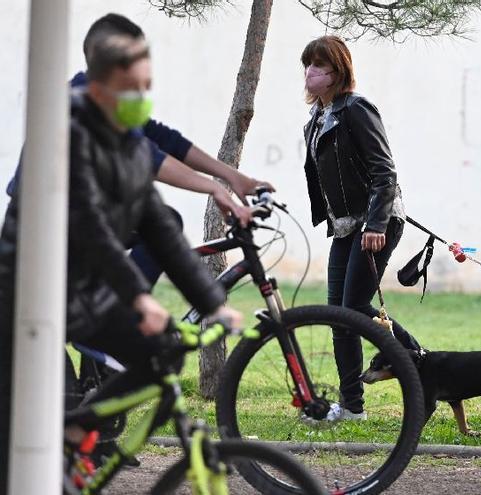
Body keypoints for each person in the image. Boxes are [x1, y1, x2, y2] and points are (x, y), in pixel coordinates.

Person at [0, 26, 242, 488]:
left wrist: (213, 303)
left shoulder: (124, 136)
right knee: (20, 438)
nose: (142, 99)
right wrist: (139, 298)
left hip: (80, 288)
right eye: (132, 89)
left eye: (147, 88)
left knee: (166, 350)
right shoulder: (67, 129)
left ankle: (78, 428)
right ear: (98, 86)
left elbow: (159, 227)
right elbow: (90, 226)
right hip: (26, 289)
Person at [6, 13, 274, 284]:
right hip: (44, 229)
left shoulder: (110, 100)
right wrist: (214, 187)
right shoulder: (82, 105)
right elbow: (148, 158)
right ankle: (126, 319)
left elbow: (164, 139)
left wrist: (232, 176)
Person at [300, 35, 421, 422]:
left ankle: (416, 355)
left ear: (338, 72)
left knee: (351, 308)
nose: (309, 72)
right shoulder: (318, 117)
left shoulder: (356, 108)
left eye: (319, 66)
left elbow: (385, 170)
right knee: (341, 313)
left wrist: (376, 222)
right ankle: (352, 407)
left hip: (375, 222)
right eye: (307, 65)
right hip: (345, 226)